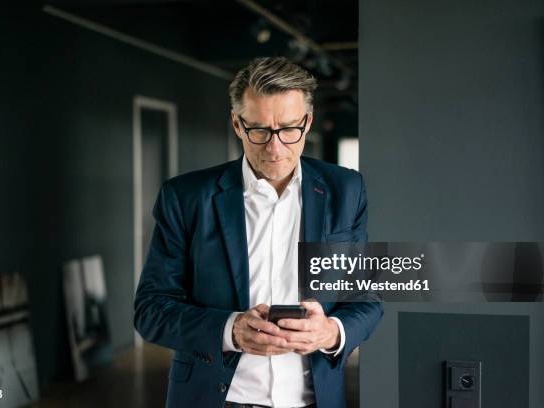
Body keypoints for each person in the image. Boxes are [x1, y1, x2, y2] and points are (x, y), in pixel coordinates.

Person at [134, 56, 383, 408]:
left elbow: (366, 297)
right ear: (238, 124)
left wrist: (330, 332)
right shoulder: (186, 197)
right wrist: (230, 329)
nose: (275, 147)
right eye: (260, 130)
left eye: (288, 129)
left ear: (308, 122)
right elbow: (150, 309)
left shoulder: (347, 190)